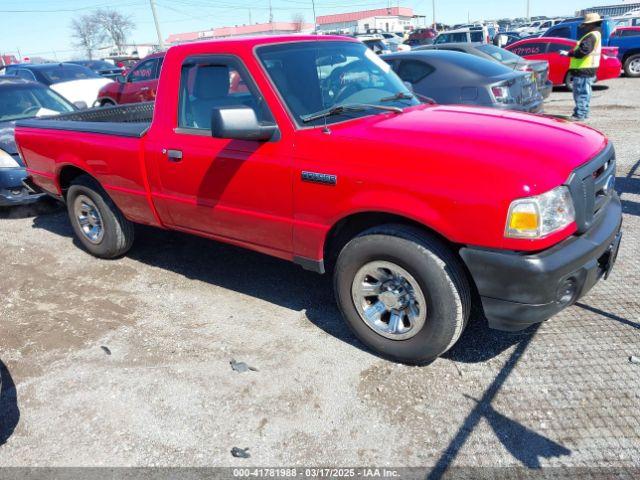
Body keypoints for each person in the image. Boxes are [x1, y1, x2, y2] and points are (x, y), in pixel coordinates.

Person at [560, 13, 603, 121]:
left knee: (581, 93)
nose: (585, 27)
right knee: (584, 92)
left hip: (584, 69)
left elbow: (583, 51)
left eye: (586, 25)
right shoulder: (596, 34)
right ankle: (582, 112)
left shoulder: (591, 36)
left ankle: (580, 114)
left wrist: (568, 54)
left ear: (591, 24)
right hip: (587, 68)